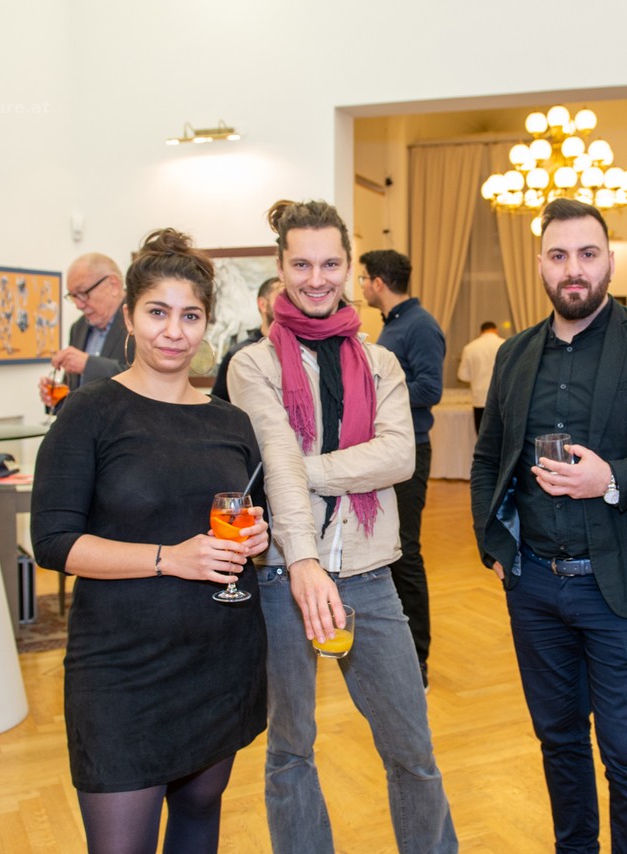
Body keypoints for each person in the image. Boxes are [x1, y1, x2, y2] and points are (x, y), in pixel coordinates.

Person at [471, 198, 627, 851]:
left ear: (610, 260)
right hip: (535, 589)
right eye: (559, 256)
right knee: (559, 744)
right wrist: (494, 544)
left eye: (587, 254)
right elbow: (489, 456)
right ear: (540, 265)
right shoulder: (515, 354)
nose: (573, 269)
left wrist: (611, 480)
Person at [227, 200, 457, 854]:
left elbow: (399, 455)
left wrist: (300, 469)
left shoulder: (381, 363)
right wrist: (301, 560)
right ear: (281, 267)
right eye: (302, 264)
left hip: (368, 575)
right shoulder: (253, 366)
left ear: (351, 268)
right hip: (283, 577)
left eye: (330, 263)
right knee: (290, 747)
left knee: (412, 748)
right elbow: (281, 462)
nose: (316, 278)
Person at [30, 229, 270, 852]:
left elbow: (253, 519)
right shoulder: (89, 412)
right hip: (122, 668)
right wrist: (171, 559)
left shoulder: (231, 421)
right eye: (158, 312)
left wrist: (258, 537)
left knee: (199, 819)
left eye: (190, 316)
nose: (174, 331)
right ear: (130, 318)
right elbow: (53, 541)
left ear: (207, 324)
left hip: (219, 659)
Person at [359, 248, 445, 688]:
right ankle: (396, 651)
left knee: (406, 553)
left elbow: (430, 388)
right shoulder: (393, 324)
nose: (360, 286)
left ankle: (418, 660)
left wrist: (375, 387)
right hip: (386, 453)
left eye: (362, 279)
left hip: (410, 453)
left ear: (378, 282)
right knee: (389, 550)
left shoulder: (420, 324)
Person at [38, 252, 128, 408]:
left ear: (113, 285)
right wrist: (57, 398)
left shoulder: (141, 322)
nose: (78, 305)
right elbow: (75, 393)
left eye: (83, 294)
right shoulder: (78, 328)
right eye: (73, 296)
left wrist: (88, 365)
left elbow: (149, 381)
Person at [212, 276, 282, 401]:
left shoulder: (303, 350)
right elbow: (220, 404)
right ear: (263, 304)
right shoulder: (238, 354)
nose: (288, 306)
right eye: (281, 299)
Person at [457, 321, 504, 431]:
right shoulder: (505, 344)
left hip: (479, 398)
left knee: (482, 434)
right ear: (496, 330)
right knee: (502, 435)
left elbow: (462, 376)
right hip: (501, 398)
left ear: (481, 332)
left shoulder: (470, 347)